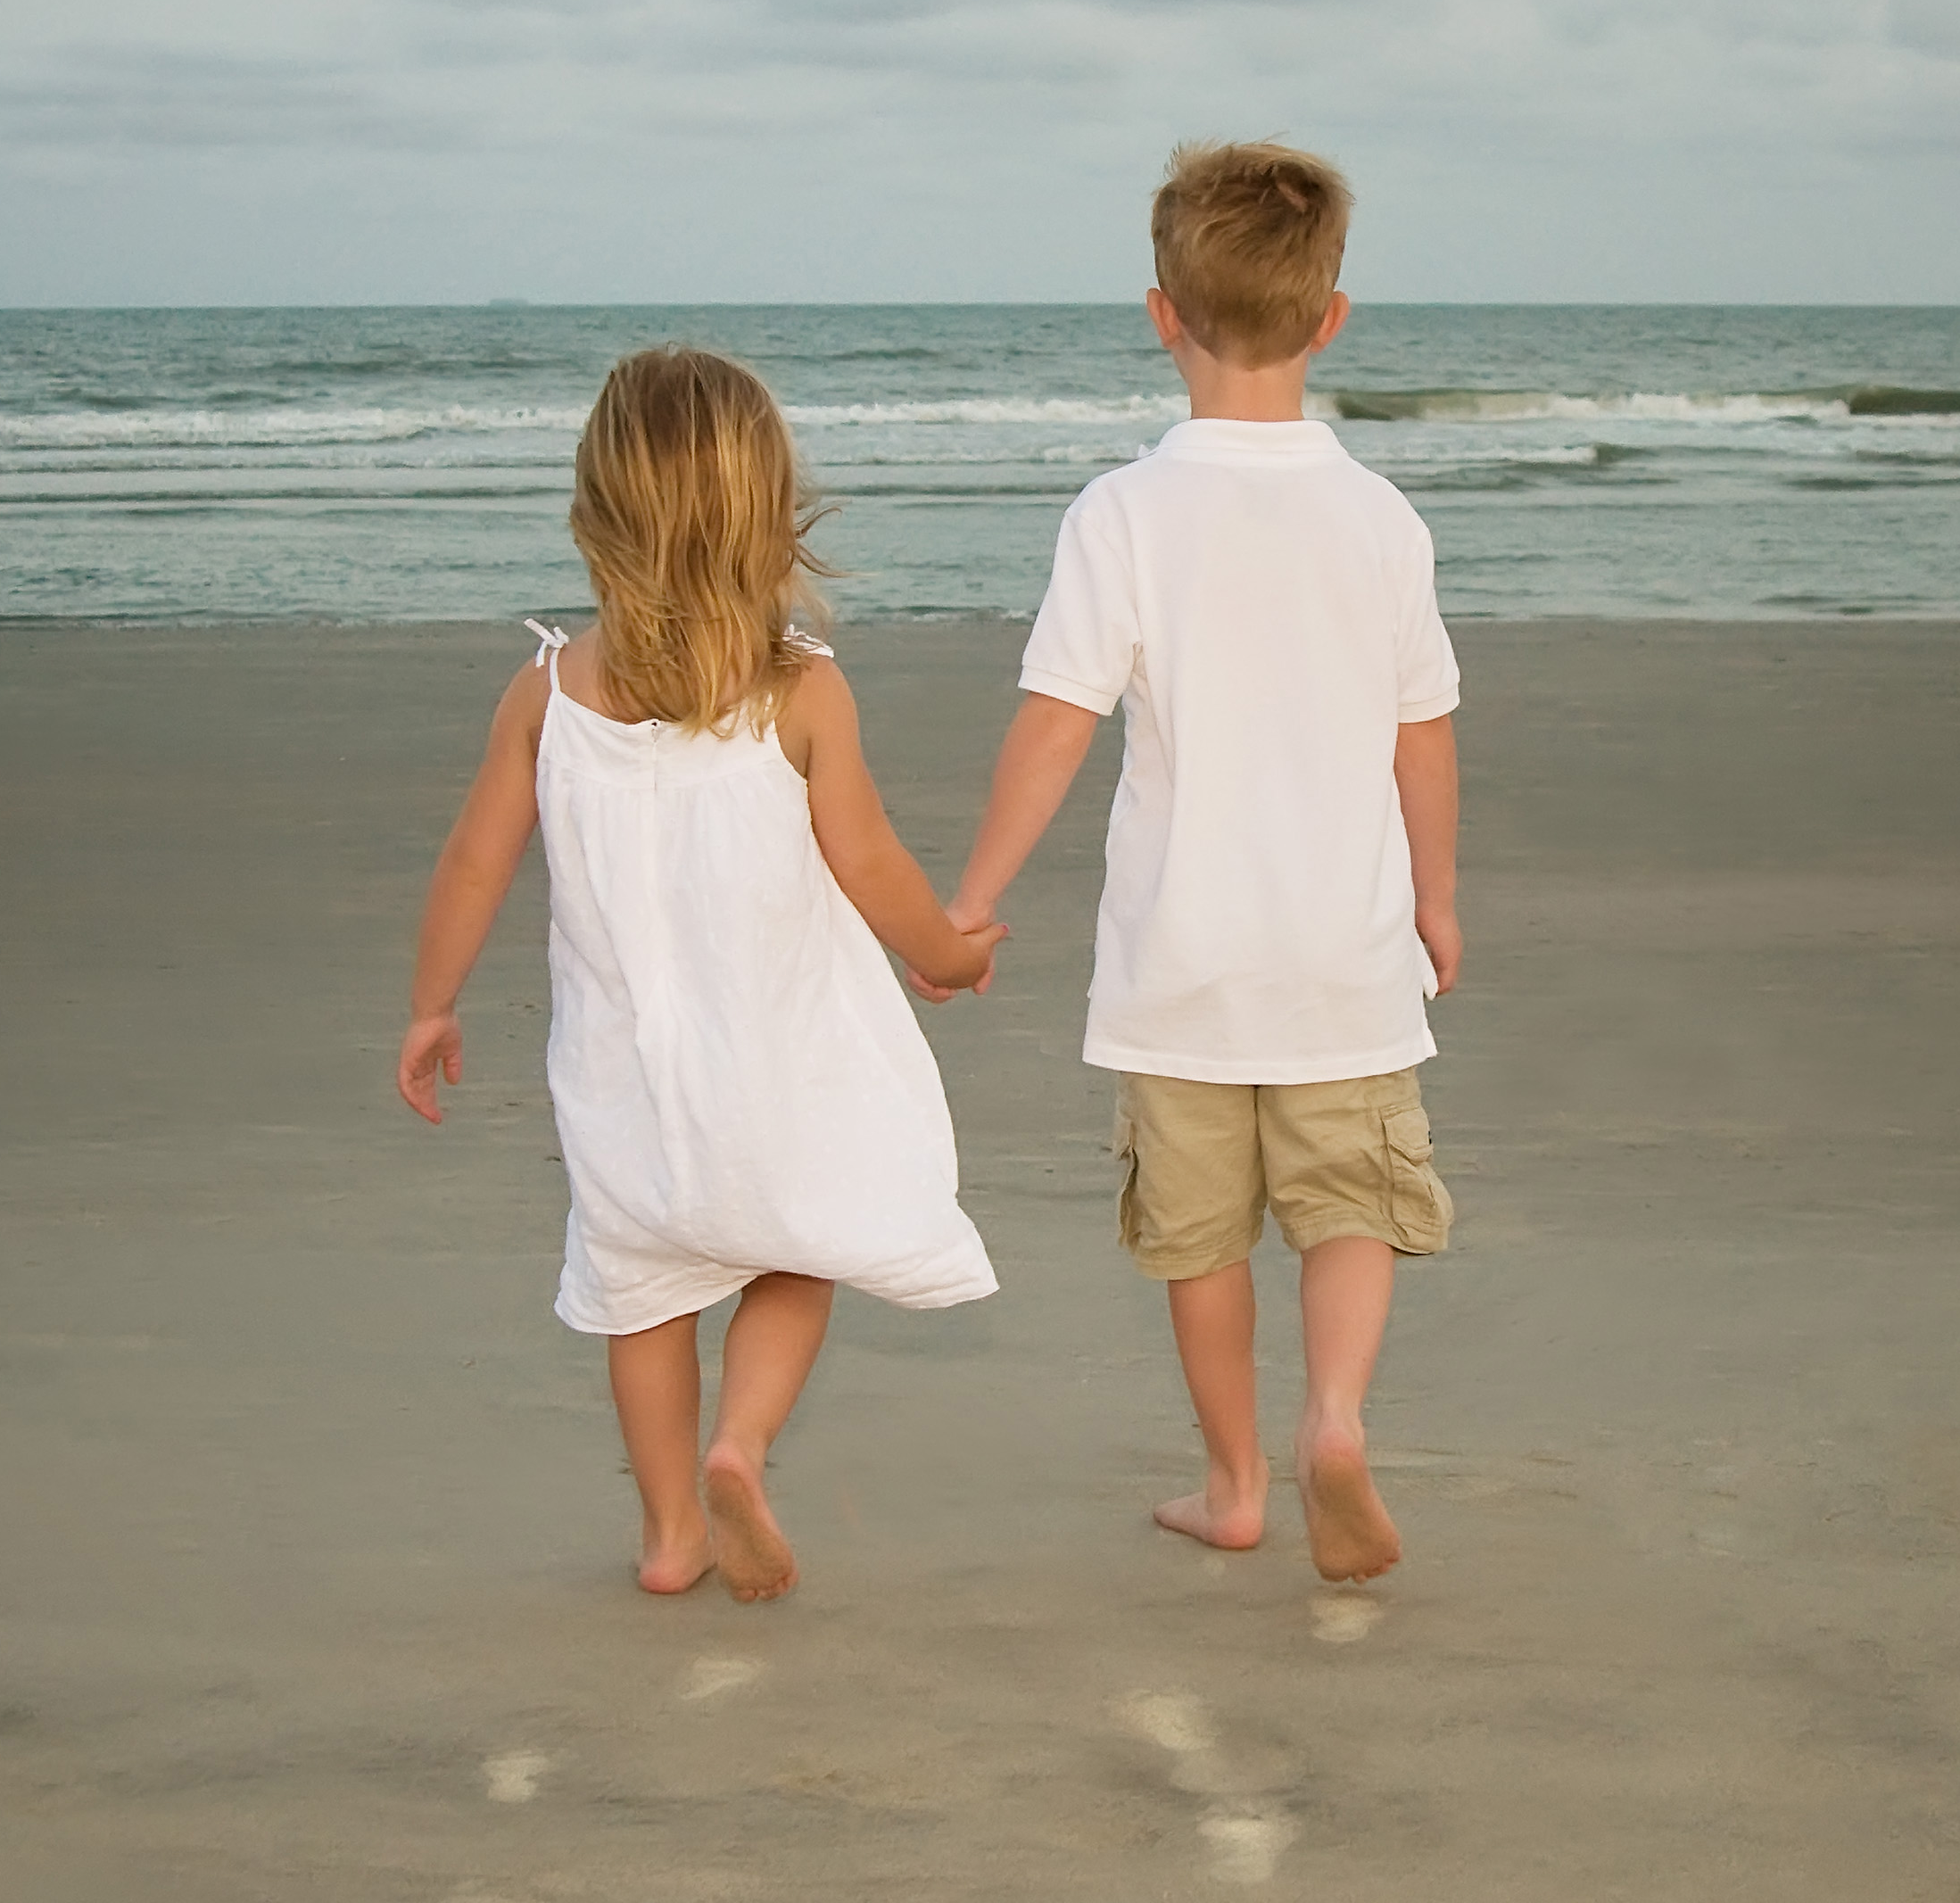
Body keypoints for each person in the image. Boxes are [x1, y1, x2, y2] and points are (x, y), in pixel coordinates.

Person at [397, 346, 1005, 1604]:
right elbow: (873, 860)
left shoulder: (548, 696)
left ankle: (672, 1533)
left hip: (625, 1086)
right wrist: (945, 954)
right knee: (796, 1250)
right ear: (767, 515)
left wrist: (433, 1004)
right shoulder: (800, 696)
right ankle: (744, 1444)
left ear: (596, 511)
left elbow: (471, 863)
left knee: (643, 1292)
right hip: (778, 1070)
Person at [930, 140, 1461, 1584]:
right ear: (1331, 317)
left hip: (1183, 964)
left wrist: (970, 902)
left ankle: (1234, 1486)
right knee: (1354, 1204)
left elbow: (1054, 729)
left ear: (1160, 315)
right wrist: (1437, 901)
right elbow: (1425, 735)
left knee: (1201, 1242)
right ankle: (1335, 1420)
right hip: (1344, 954)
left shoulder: (1125, 514)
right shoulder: (1381, 519)